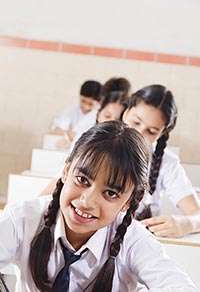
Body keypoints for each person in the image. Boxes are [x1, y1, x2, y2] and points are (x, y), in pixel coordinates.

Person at [0, 121, 198, 291]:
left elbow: (179, 286)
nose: (87, 201)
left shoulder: (133, 240)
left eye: (110, 193)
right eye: (82, 180)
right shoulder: (24, 218)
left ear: (128, 201)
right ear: (67, 170)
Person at [122, 84, 200, 238]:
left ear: (162, 133)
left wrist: (186, 223)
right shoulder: (94, 144)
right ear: (126, 113)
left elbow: (197, 213)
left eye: (151, 131)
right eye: (136, 122)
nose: (139, 134)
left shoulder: (167, 163)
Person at [51, 80, 102, 148]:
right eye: (83, 101)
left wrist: (70, 134)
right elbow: (57, 131)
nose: (85, 107)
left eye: (91, 104)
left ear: (99, 102)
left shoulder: (100, 115)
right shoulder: (71, 111)